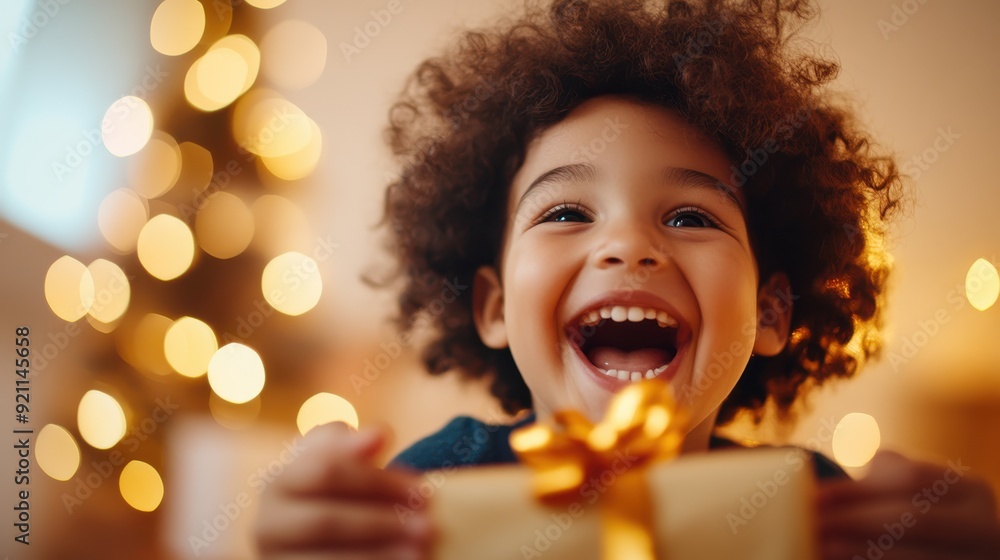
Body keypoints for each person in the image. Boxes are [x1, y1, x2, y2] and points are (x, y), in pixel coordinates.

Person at [254, 1, 1000, 558]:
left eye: (690, 219)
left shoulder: (817, 511)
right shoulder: (432, 491)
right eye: (568, 210)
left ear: (773, 310)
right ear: (496, 307)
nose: (627, 245)